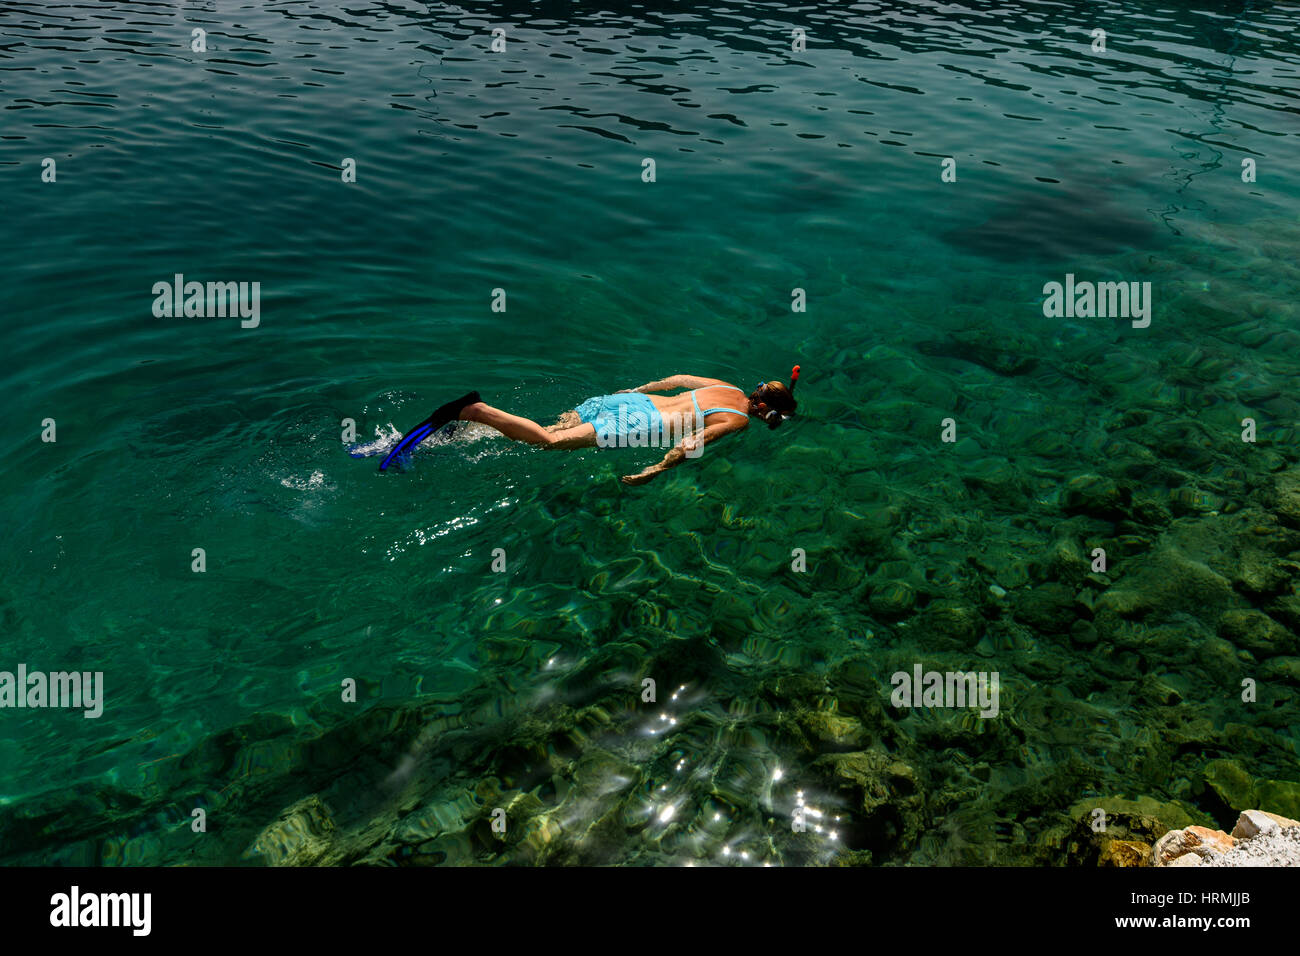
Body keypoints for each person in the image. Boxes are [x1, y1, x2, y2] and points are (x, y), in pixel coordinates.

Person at [380, 367, 800, 485]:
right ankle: (475, 411)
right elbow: (693, 443)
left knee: (535, 429)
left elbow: (676, 380)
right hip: (638, 422)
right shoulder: (738, 420)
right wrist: (657, 470)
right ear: (765, 410)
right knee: (546, 443)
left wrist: (633, 390)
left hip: (629, 400)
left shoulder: (725, 386)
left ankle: (454, 435)